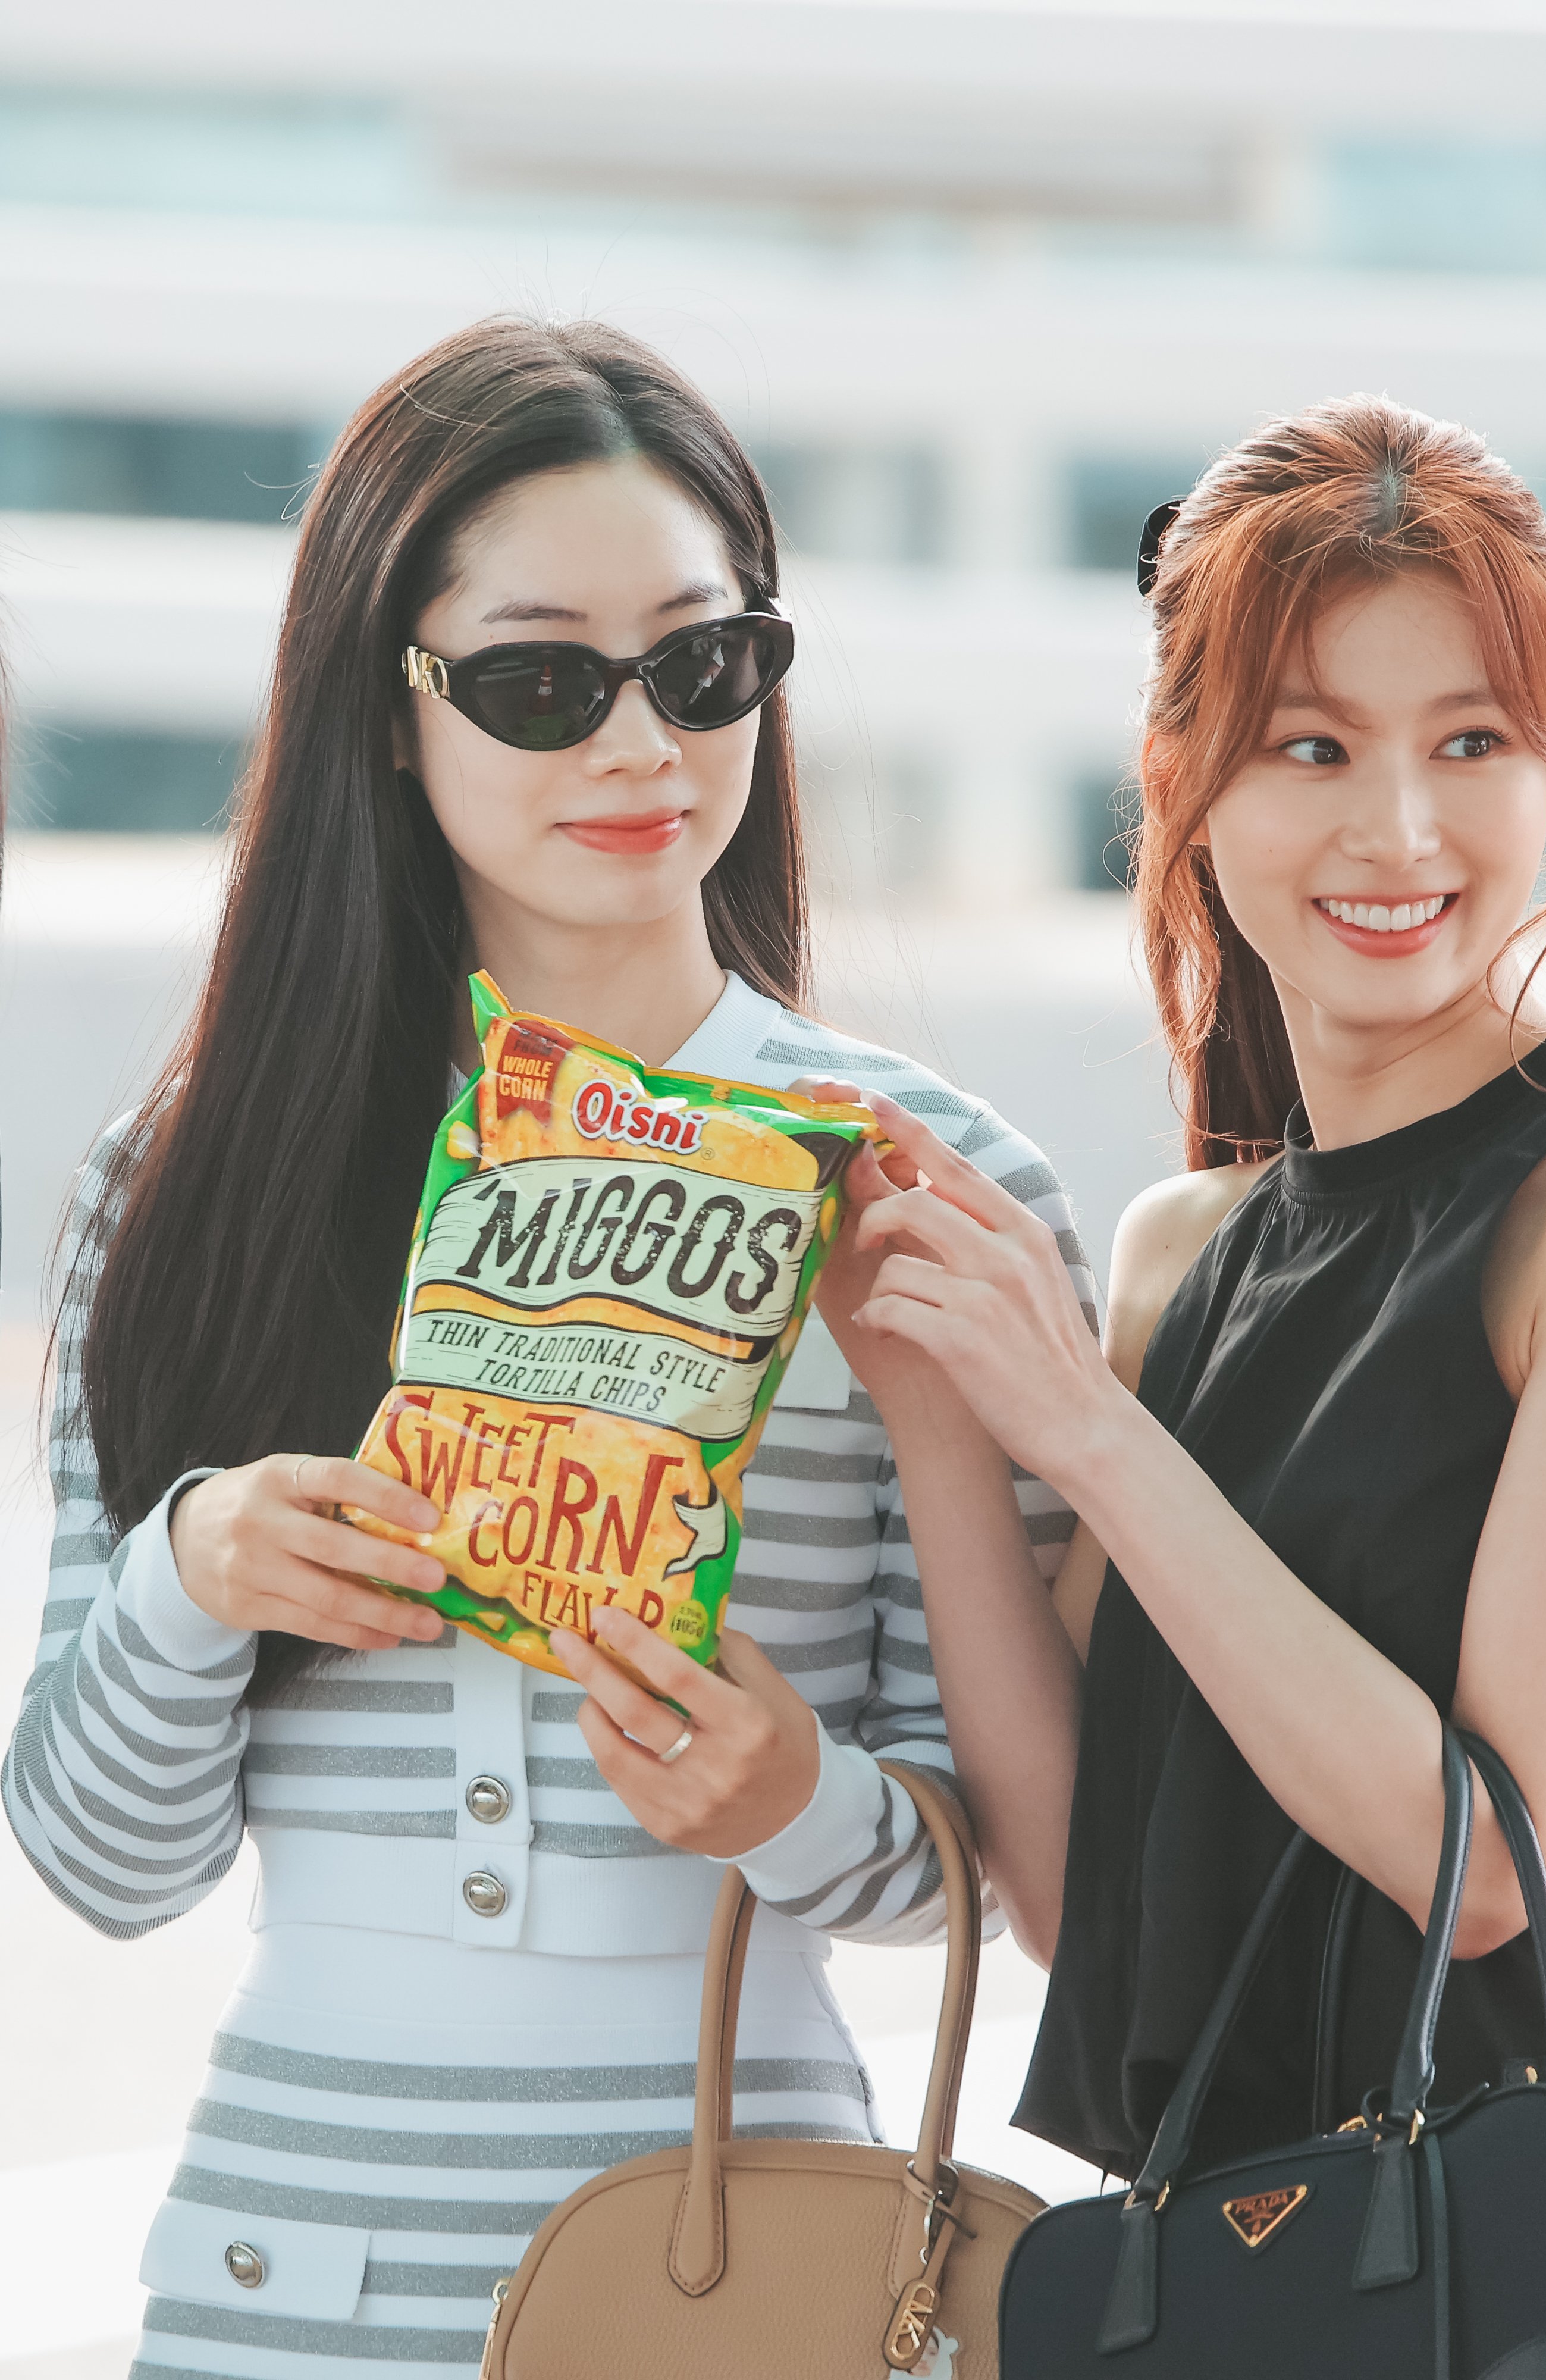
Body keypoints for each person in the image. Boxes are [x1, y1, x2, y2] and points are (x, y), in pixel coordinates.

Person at [4, 316, 1090, 2378]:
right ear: (384, 707)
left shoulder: (930, 1189)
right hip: (285, 2290)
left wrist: (790, 1801)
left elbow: (1004, 1865)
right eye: (537, 684)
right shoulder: (192, 1185)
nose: (640, 749)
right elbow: (96, 1861)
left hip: (749, 2274)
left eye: (703, 665)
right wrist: (193, 1573)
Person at [816, 398, 1546, 2379]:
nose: (1396, 831)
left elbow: (1486, 1864)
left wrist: (1088, 1431)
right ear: (1184, 788)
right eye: (1310, 748)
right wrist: (948, 1413)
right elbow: (1079, 1899)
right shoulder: (1177, 1255)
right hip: (1240, 2290)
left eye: (1468, 742)